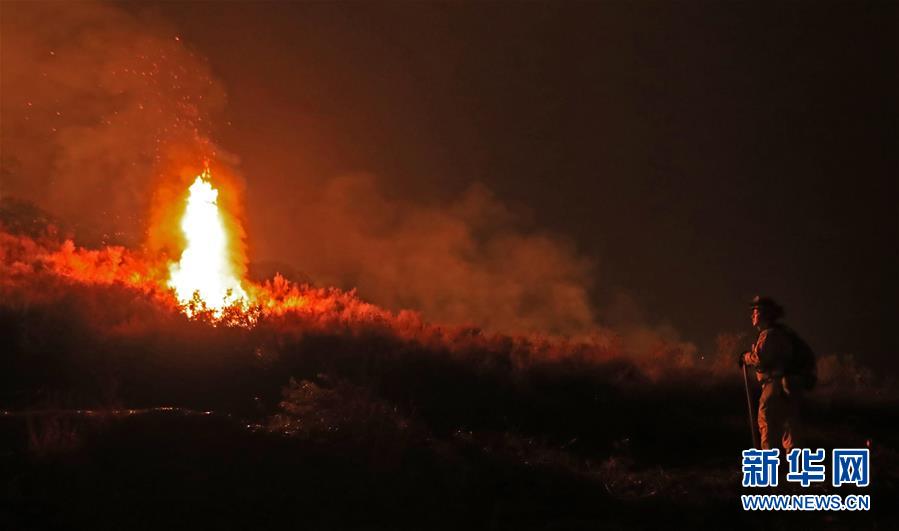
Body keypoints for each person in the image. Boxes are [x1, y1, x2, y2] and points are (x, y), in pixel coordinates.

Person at [740, 296, 802, 453]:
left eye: (755, 312)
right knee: (788, 426)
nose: (752, 316)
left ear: (764, 314)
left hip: (773, 383)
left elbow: (759, 359)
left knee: (766, 422)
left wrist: (746, 357)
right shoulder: (781, 335)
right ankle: (795, 467)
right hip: (787, 385)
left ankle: (768, 466)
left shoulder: (768, 335)